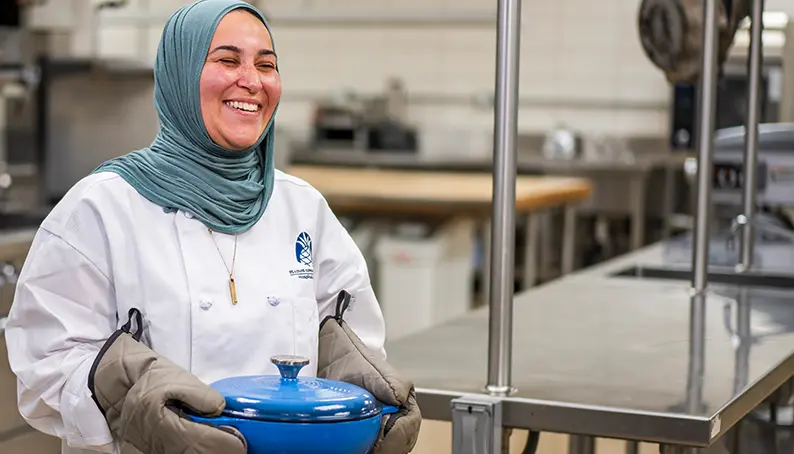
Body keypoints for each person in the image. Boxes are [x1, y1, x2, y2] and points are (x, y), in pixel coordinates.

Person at [3, 1, 421, 453]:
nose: (252, 80)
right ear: (180, 75)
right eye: (226, 60)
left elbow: (351, 336)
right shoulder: (102, 208)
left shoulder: (302, 208)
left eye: (266, 64)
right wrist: (130, 397)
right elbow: (44, 364)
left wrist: (363, 391)